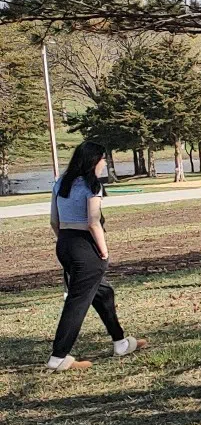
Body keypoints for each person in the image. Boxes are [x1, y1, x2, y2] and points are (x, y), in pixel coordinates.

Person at [46, 141, 143, 372]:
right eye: (103, 159)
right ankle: (58, 357)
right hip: (86, 248)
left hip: (65, 243)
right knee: (77, 302)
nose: (104, 163)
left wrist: (67, 242)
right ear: (94, 161)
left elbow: (54, 221)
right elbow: (93, 222)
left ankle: (120, 342)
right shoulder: (93, 186)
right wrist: (104, 251)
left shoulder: (61, 182)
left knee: (103, 292)